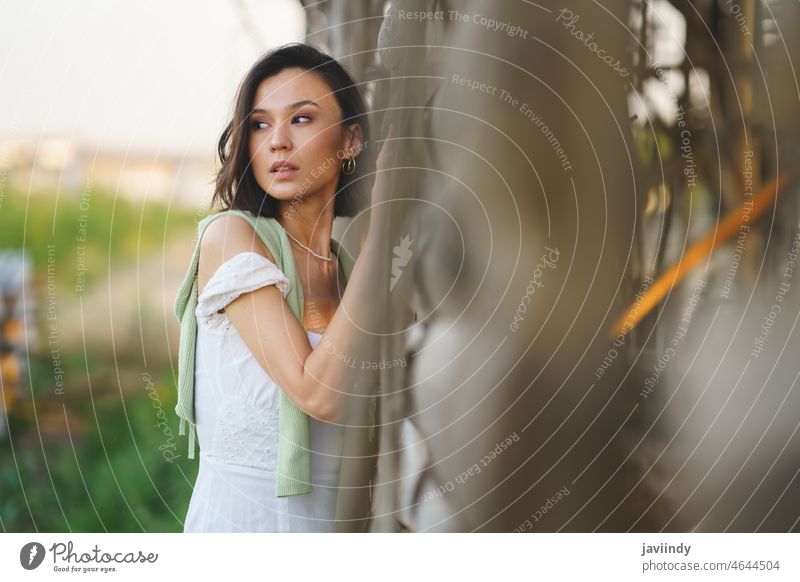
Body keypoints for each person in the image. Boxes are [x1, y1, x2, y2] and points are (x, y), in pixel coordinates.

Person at [179, 43, 387, 532]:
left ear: (351, 140)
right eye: (259, 124)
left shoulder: (350, 272)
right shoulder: (230, 239)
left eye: (301, 119)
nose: (276, 141)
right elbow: (319, 394)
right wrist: (385, 242)